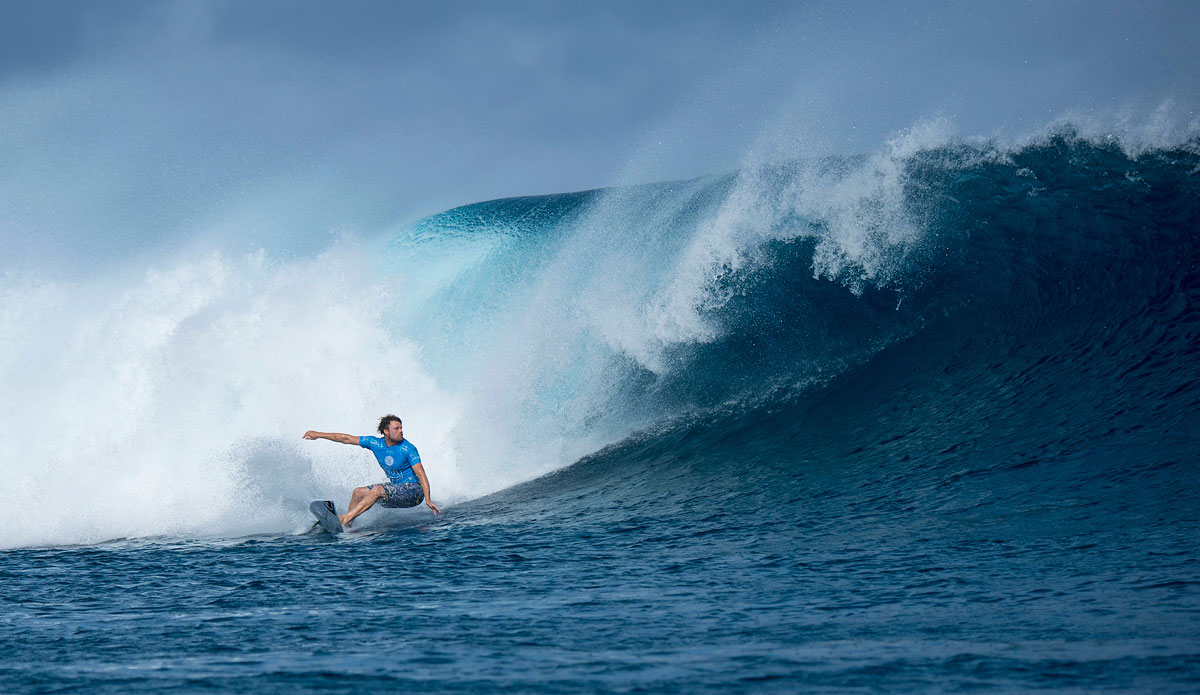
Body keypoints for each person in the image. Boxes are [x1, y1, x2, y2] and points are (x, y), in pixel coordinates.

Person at [303, 414, 441, 527]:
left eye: (401, 428)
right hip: (396, 490)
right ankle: (347, 525)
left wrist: (427, 499)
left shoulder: (408, 448)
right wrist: (319, 434)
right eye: (396, 428)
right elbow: (346, 439)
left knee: (377, 490)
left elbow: (421, 474)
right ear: (386, 431)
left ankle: (345, 518)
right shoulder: (375, 443)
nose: (401, 431)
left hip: (414, 492)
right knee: (358, 492)